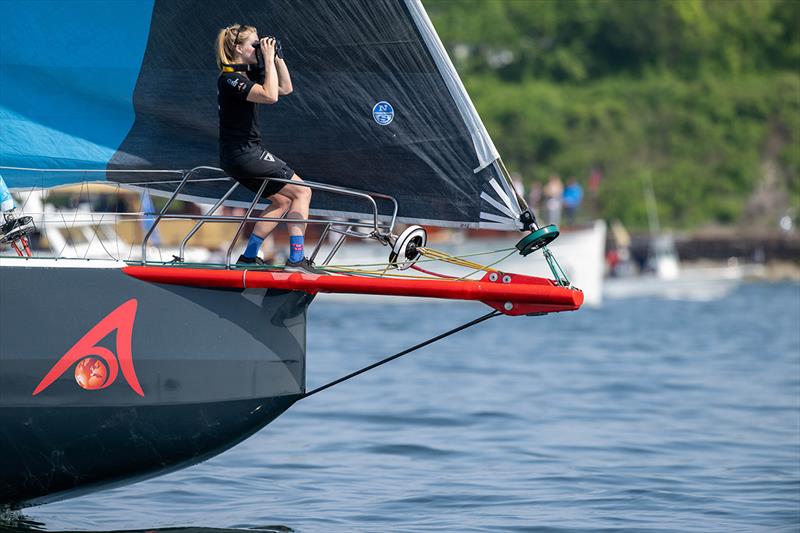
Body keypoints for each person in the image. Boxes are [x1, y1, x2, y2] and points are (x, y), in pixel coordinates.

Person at [216, 23, 321, 273]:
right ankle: (296, 259)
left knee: (283, 201)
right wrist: (269, 62)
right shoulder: (230, 79)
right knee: (302, 192)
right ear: (239, 48)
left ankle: (249, 256)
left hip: (242, 154)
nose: (258, 48)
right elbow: (270, 96)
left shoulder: (246, 75)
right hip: (243, 153)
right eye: (255, 44)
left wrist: (277, 57)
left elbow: (285, 88)